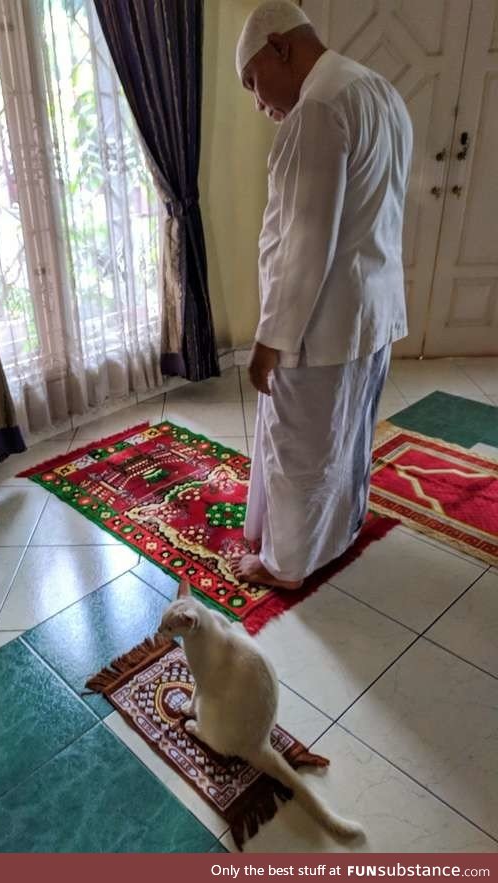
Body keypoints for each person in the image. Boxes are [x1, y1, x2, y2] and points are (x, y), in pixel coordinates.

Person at [232, 0, 413, 590]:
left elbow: (305, 243)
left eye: (255, 83)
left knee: (301, 447)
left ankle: (285, 565)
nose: (260, 104)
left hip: (321, 324)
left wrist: (270, 341)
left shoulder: (319, 107)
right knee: (347, 436)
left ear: (280, 47)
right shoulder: (379, 91)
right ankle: (336, 535)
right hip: (371, 313)